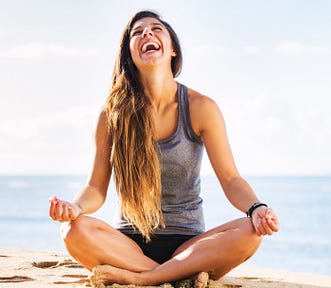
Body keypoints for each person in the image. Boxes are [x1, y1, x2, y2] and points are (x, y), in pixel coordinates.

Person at [49, 10, 279, 287]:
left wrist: (256, 208)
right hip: (127, 245)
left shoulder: (200, 107)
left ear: (172, 49)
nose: (147, 33)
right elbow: (96, 187)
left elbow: (230, 179)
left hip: (189, 245)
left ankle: (141, 279)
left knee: (250, 232)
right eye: (137, 32)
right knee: (73, 230)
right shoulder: (111, 114)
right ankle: (170, 275)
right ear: (130, 54)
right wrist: (75, 207)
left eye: (156, 29)